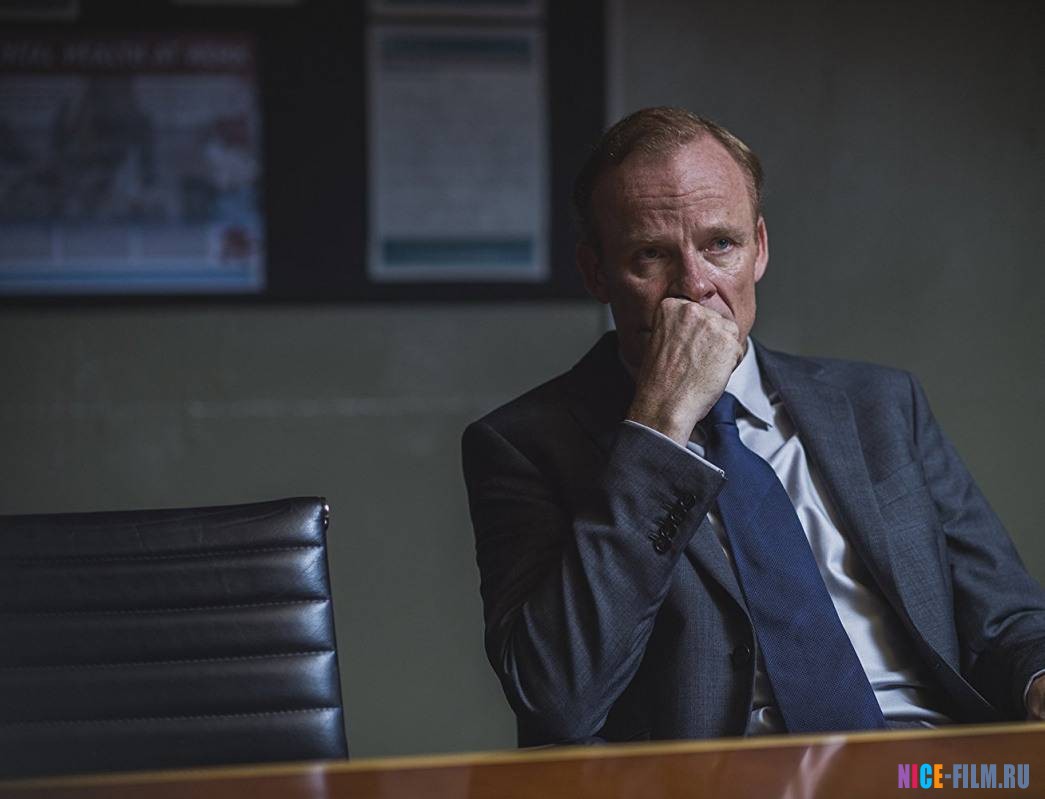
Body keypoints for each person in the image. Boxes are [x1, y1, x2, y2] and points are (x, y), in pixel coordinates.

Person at [460, 107, 1045, 745]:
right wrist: (660, 428)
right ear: (596, 272)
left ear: (758, 248)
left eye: (720, 245)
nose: (695, 286)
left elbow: (1006, 619)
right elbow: (556, 701)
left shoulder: (881, 404)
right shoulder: (522, 445)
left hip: (926, 771)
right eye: (650, 254)